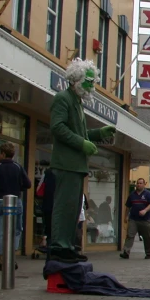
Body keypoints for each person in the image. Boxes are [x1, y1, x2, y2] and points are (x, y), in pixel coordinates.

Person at [48, 59, 115, 263]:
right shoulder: (63, 99)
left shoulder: (76, 102)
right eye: (89, 82)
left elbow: (81, 132)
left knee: (73, 208)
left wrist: (97, 134)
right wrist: (81, 143)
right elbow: (57, 127)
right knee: (64, 206)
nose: (91, 86)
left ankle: (67, 244)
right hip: (66, 163)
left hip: (76, 164)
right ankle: (59, 245)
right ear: (76, 79)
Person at [0, 143, 31, 270]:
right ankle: (12, 258)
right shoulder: (18, 167)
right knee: (16, 230)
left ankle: (2, 260)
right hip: (15, 201)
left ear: (3, 154)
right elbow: (28, 184)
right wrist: (18, 187)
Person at [120, 178, 150, 259]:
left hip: (145, 220)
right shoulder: (132, 194)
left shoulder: (148, 194)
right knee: (130, 235)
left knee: (147, 237)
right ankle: (126, 252)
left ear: (144, 184)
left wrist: (145, 210)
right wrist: (126, 216)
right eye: (137, 183)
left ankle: (148, 253)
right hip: (133, 219)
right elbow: (128, 207)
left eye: (140, 183)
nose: (138, 185)